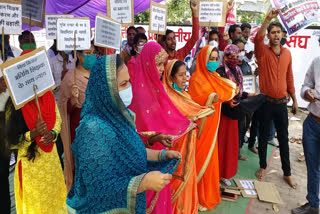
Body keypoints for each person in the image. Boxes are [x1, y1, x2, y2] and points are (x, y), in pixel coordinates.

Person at [66, 54, 181, 213]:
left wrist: (161, 155)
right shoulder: (93, 129)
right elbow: (98, 190)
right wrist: (143, 183)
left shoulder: (121, 116)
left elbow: (131, 151)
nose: (129, 88)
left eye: (129, 82)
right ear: (106, 89)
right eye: (123, 84)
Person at [129, 42, 196, 213]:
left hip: (161, 147)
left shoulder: (156, 87)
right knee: (151, 197)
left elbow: (166, 116)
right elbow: (137, 132)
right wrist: (156, 138)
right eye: (157, 64)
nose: (161, 69)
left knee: (161, 195)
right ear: (146, 63)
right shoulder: (139, 92)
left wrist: (184, 125)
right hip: (146, 154)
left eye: (162, 64)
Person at [188, 45, 237, 211]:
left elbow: (226, 91)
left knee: (210, 161)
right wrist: (210, 97)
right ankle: (196, 195)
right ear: (203, 59)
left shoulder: (215, 76)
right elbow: (194, 103)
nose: (214, 62)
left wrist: (224, 96)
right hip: (201, 128)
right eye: (211, 58)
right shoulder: (196, 79)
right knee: (200, 159)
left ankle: (206, 195)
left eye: (216, 59)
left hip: (213, 126)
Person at [163, 60, 215, 214]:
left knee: (187, 181)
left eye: (185, 74)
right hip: (176, 150)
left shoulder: (184, 95)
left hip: (188, 147)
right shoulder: (169, 98)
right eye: (180, 75)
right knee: (175, 183)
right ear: (170, 77)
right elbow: (169, 125)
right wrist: (188, 123)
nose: (185, 78)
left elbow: (194, 113)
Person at [254, 9, 298, 188]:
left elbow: (289, 77)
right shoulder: (262, 52)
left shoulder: (287, 53)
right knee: (263, 136)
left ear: (282, 34)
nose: (275, 35)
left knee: (284, 138)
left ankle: (287, 173)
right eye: (272, 33)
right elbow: (257, 38)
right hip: (265, 102)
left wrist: (295, 100)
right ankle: (263, 166)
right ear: (269, 36)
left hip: (281, 104)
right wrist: (267, 19)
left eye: (278, 32)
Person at [59, 43, 97, 192]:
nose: (92, 56)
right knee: (81, 164)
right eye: (88, 52)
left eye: (94, 52)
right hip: (79, 130)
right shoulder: (70, 78)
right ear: (79, 55)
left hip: (98, 129)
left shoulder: (97, 74)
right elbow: (62, 108)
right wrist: (72, 102)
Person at [292, 57, 320, 214]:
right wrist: (306, 92)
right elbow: (306, 85)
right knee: (313, 167)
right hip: (313, 123)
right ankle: (313, 204)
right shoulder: (317, 62)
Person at [0, 34, 21, 214]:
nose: (4, 39)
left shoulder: (15, 55)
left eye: (6, 36)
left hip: (10, 116)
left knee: (6, 170)